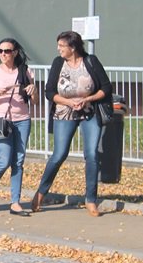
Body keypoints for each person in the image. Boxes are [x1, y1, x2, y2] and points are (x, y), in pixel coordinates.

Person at [31, 31, 111, 217]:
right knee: (59, 154)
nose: (58, 49)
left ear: (73, 47)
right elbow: (49, 91)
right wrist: (68, 102)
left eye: (62, 46)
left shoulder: (90, 61)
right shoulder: (58, 63)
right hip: (64, 113)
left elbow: (106, 87)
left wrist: (88, 99)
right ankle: (41, 193)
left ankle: (91, 200)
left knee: (91, 154)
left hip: (89, 112)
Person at [0, 38, 37, 216]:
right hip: (2, 121)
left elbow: (33, 101)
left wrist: (33, 91)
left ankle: (15, 202)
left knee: (18, 161)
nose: (3, 54)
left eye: (7, 51)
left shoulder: (25, 71)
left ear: (15, 52)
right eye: (0, 51)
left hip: (22, 119)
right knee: (4, 160)